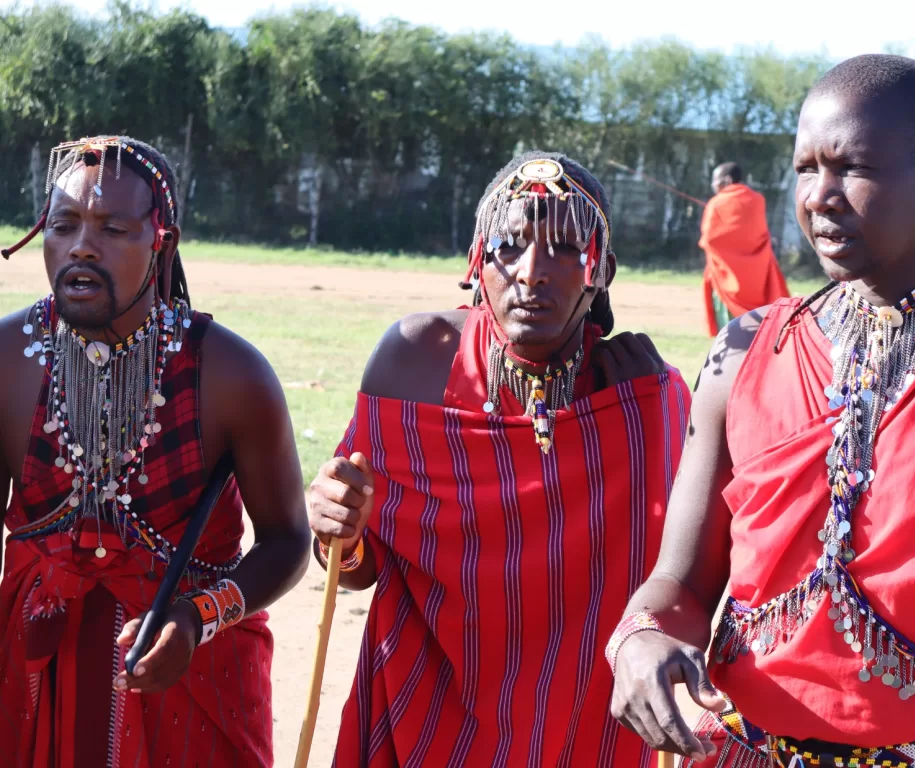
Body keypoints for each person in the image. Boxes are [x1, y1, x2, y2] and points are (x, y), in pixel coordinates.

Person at [608, 55, 915, 767]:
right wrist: (640, 635)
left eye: (852, 168)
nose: (820, 197)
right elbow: (682, 584)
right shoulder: (741, 352)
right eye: (806, 169)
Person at [308, 151, 691, 766]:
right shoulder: (414, 362)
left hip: (579, 719)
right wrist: (339, 530)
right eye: (508, 246)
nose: (531, 272)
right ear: (477, 260)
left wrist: (646, 418)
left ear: (602, 271)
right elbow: (354, 569)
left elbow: (675, 584)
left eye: (565, 247)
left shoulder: (644, 393)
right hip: (426, 706)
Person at [0, 136, 310, 766]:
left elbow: (286, 540)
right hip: (37, 664)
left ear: (159, 241)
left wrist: (198, 618)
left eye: (112, 227)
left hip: (197, 672)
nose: (82, 245)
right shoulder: (7, 359)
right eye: (62, 226)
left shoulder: (228, 373)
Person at [699, 161, 789, 336]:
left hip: (726, 275)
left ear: (727, 179)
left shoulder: (716, 203)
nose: (714, 186)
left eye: (715, 181)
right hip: (757, 274)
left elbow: (708, 239)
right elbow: (761, 235)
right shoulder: (758, 200)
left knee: (730, 334)